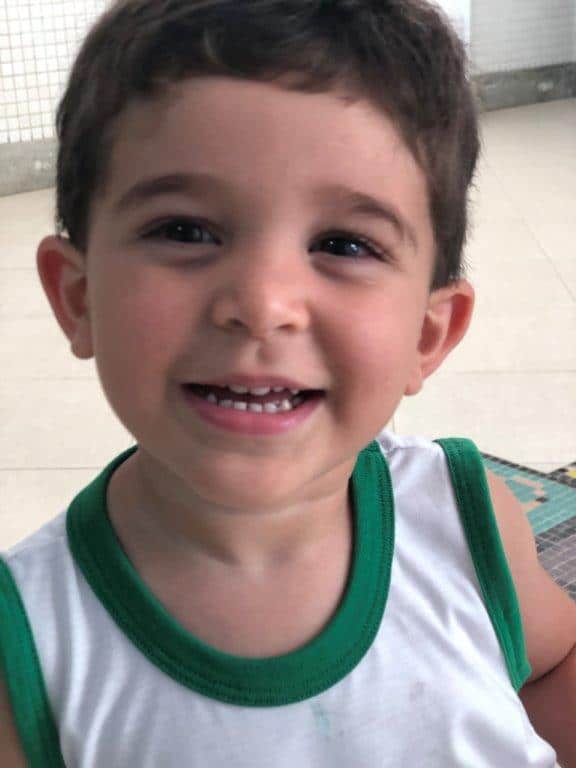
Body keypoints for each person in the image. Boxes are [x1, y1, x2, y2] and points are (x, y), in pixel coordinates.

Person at [1, 0, 574, 765]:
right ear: (79, 299)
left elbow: (552, 668)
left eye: (344, 244)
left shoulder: (467, 526)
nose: (263, 303)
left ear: (427, 336)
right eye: (185, 230)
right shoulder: (29, 649)